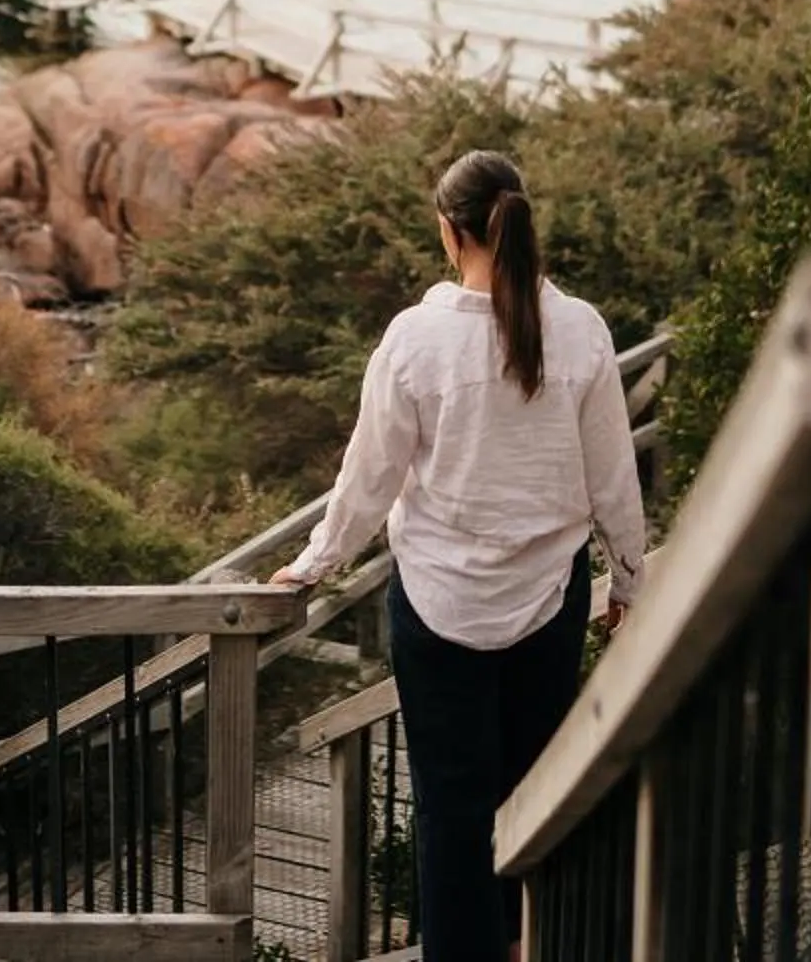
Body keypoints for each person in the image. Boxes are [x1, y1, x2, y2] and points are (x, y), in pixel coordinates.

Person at [270, 150, 648, 962]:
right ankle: (532, 943)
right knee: (535, 792)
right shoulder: (580, 330)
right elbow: (614, 474)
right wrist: (629, 579)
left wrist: (311, 566)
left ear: (451, 231)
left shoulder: (416, 340)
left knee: (449, 810)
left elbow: (368, 479)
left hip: (438, 609)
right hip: (549, 604)